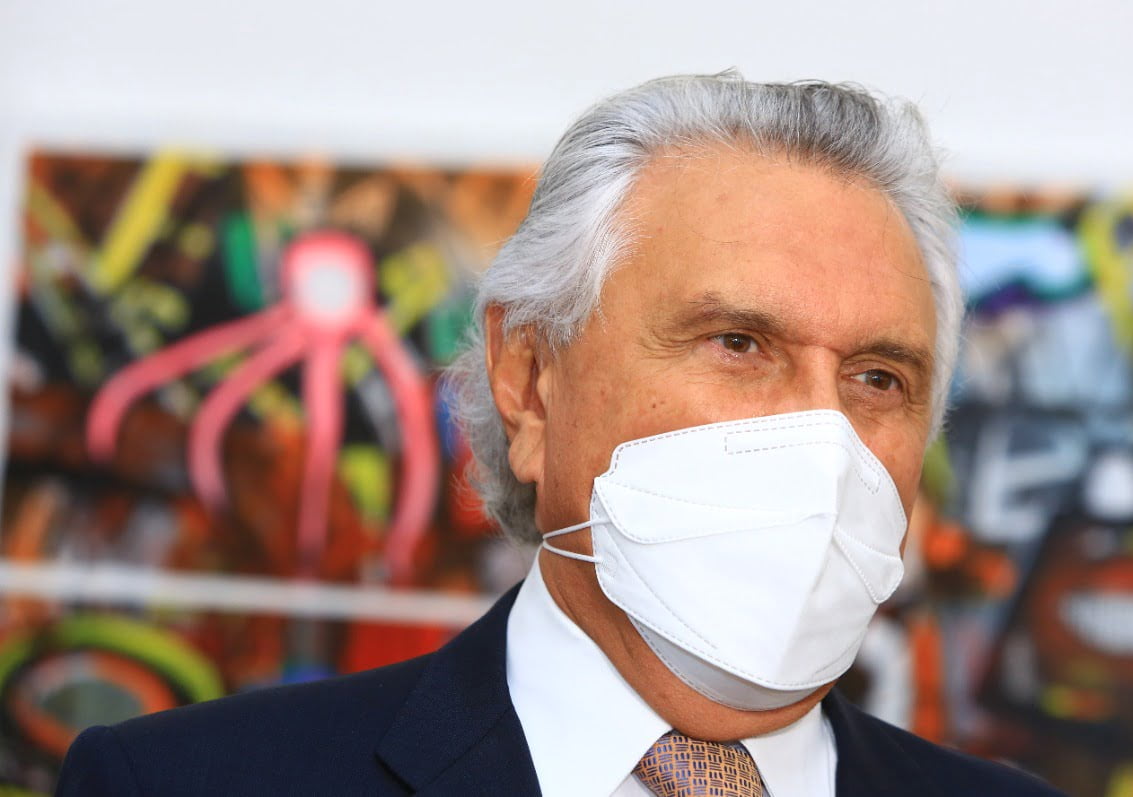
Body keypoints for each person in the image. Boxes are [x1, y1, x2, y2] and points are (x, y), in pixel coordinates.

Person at [57, 73, 1063, 796]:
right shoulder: (182, 782)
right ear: (530, 382)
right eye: (737, 343)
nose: (820, 435)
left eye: (877, 377)